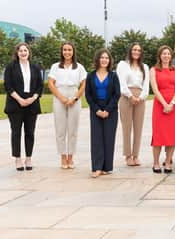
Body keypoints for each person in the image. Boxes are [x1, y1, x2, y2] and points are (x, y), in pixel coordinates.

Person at [4, 42, 44, 172]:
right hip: (15, 104)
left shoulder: (35, 67)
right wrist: (20, 99)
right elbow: (8, 86)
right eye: (20, 51)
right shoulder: (11, 67)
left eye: (25, 50)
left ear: (28, 52)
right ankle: (17, 159)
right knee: (16, 132)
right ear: (17, 53)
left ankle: (28, 158)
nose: (23, 53)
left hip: (32, 105)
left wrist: (33, 98)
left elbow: (40, 85)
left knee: (30, 133)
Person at [47, 42, 86, 169]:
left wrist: (74, 98)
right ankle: (63, 157)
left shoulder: (79, 67)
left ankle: (71, 157)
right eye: (65, 50)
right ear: (62, 51)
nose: (67, 52)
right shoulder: (55, 67)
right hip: (60, 94)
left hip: (74, 95)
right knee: (60, 129)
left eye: (69, 49)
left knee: (73, 129)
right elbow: (51, 84)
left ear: (73, 51)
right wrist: (62, 98)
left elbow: (83, 85)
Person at [84, 48, 121, 178]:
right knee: (96, 139)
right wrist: (97, 110)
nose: (104, 60)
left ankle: (107, 167)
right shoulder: (90, 75)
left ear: (109, 60)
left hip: (110, 110)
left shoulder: (114, 76)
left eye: (106, 58)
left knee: (109, 138)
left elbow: (117, 94)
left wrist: (107, 110)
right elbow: (87, 95)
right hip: (96, 110)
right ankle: (97, 167)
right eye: (102, 57)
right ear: (98, 59)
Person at [150, 45, 175, 174]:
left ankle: (168, 162)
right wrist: (164, 104)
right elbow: (155, 89)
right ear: (159, 55)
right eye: (164, 53)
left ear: (171, 56)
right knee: (158, 135)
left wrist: (172, 103)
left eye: (168, 54)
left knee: (171, 135)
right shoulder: (154, 70)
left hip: (174, 105)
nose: (166, 56)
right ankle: (156, 162)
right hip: (159, 105)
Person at [116, 43, 150, 167]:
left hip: (140, 97)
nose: (136, 52)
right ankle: (128, 155)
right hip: (126, 96)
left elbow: (146, 85)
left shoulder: (144, 67)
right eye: (134, 49)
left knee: (138, 127)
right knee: (127, 127)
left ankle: (136, 155)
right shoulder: (123, 65)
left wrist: (141, 98)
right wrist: (130, 96)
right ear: (130, 51)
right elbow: (121, 82)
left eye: (139, 50)